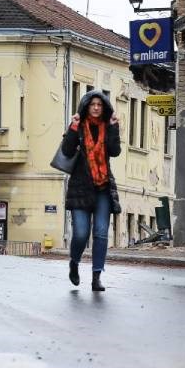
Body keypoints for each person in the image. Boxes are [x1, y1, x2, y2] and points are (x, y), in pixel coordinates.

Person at [62, 91, 122, 291]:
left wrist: (114, 127)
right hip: (81, 187)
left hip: (103, 188)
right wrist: (73, 127)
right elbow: (67, 151)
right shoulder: (78, 126)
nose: (96, 107)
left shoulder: (108, 126)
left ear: (104, 107)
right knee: (80, 233)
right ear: (86, 106)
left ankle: (96, 278)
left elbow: (114, 151)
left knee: (101, 233)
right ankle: (74, 262)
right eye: (92, 104)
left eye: (100, 104)